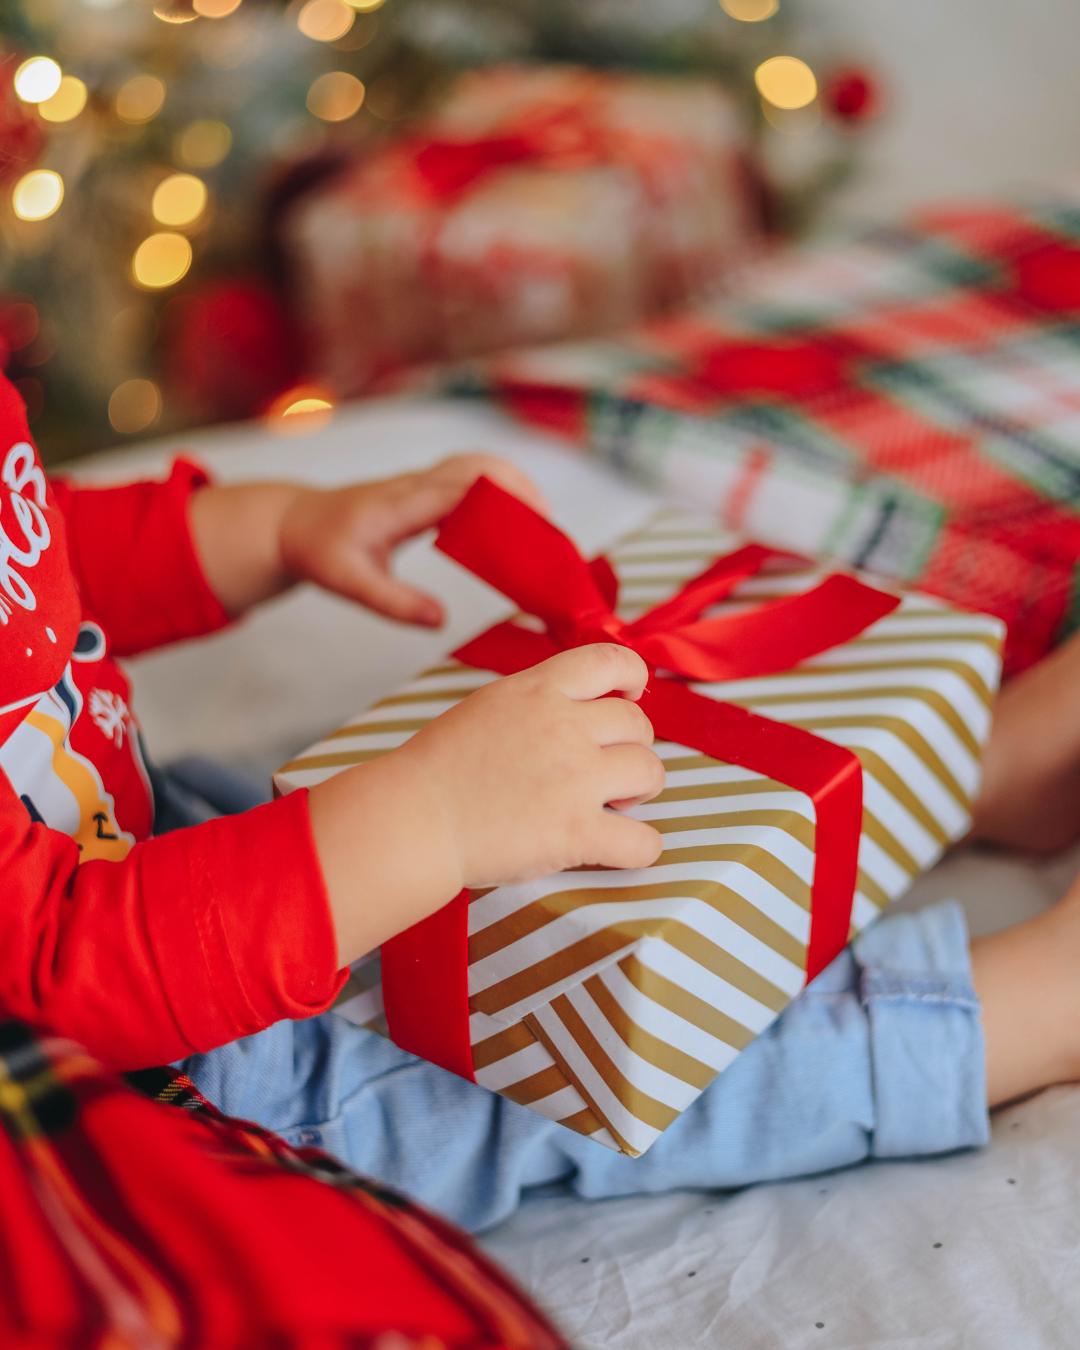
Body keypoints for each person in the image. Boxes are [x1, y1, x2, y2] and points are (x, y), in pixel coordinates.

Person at [2, 362, 1078, 1263]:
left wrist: (277, 525)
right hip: (142, 1109)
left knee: (493, 797)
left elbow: (38, 544)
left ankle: (938, 778)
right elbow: (58, 971)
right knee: (572, 1064)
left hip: (142, 836)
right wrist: (430, 815)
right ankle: (1011, 1011)